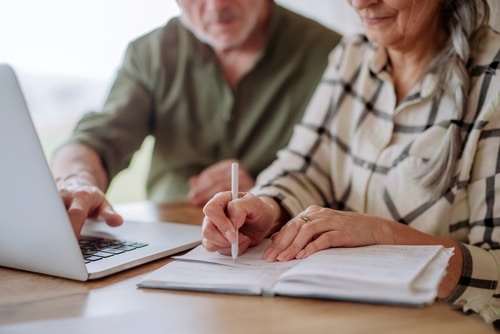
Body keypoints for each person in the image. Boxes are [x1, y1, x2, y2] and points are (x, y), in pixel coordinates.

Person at [202, 0, 500, 324]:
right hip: (337, 317)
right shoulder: (352, 53)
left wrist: (382, 235)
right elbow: (304, 165)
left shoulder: (492, 82)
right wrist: (266, 207)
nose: (360, 3)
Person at [51, 0, 341, 238]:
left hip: (276, 244)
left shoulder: (333, 55)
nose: (216, 6)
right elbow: (98, 139)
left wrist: (267, 190)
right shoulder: (151, 52)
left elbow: (343, 181)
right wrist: (76, 180)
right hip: (162, 242)